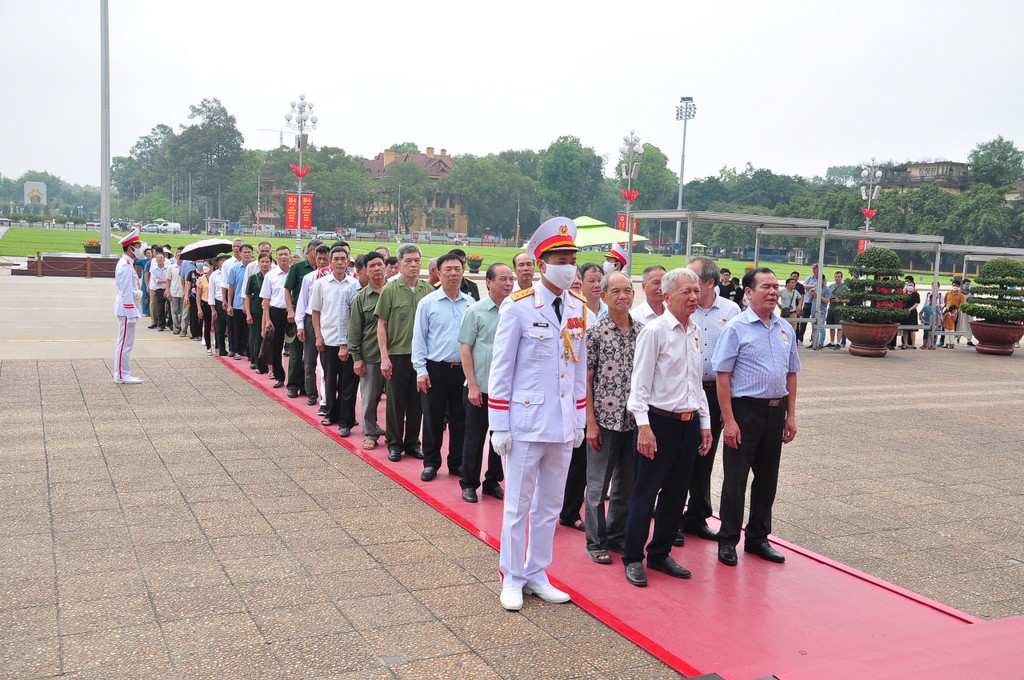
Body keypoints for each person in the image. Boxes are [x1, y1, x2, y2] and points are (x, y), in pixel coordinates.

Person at [489, 216, 587, 612]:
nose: (568, 265)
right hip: (526, 424)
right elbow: (502, 368)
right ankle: (511, 577)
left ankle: (537, 572)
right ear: (542, 263)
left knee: (549, 506)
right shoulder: (518, 308)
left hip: (562, 424)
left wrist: (579, 420)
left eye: (572, 258)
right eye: (560, 258)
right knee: (516, 507)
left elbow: (579, 370)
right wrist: (499, 424)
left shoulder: (579, 309)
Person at [622, 268, 712, 588]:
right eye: (686, 292)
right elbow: (639, 386)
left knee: (676, 494)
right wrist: (644, 428)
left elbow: (696, 383)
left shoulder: (696, 330)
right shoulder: (655, 331)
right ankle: (633, 557)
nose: (693, 297)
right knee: (646, 493)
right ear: (666, 295)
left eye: (696, 291)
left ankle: (659, 554)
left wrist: (705, 423)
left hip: (688, 424)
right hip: (658, 424)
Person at [712, 267, 800, 567]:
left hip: (776, 412)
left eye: (776, 286)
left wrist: (791, 416)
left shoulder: (785, 328)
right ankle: (727, 540)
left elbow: (791, 374)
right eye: (766, 286)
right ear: (748, 292)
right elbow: (722, 377)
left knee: (767, 480)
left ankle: (758, 538)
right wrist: (729, 420)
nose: (774, 292)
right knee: (735, 480)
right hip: (744, 411)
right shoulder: (735, 328)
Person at [678, 257, 740, 546]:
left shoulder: (731, 310)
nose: (688, 287)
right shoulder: (682, 307)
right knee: (679, 456)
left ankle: (697, 516)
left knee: (705, 454)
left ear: (710, 282)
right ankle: (673, 516)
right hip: (685, 390)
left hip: (716, 391)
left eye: (694, 280)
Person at [583, 271, 640, 565]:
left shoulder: (642, 331)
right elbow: (587, 381)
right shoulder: (594, 333)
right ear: (603, 296)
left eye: (628, 291)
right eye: (615, 291)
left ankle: (617, 535)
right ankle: (595, 541)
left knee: (626, 485)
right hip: (603, 421)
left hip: (633, 422)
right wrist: (590, 423)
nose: (623, 296)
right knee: (597, 487)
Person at [412, 253, 475, 481]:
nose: (453, 273)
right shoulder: (428, 303)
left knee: (461, 419)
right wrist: (421, 370)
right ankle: (431, 462)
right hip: (435, 368)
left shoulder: (471, 303)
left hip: (462, 370)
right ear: (438, 273)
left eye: (457, 269)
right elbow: (419, 338)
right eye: (447, 269)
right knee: (432, 417)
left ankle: (456, 462)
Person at [457, 262, 514, 503]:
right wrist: (472, 385)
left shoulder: (516, 310)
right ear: (488, 282)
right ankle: (469, 483)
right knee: (474, 437)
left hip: (506, 390)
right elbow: (465, 349)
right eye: (503, 279)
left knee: (500, 438)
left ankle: (493, 481)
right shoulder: (476, 311)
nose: (509, 283)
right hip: (479, 388)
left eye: (510, 279)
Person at [376, 244, 434, 462]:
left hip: (421, 357)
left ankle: (412, 443)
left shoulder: (428, 291)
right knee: (395, 403)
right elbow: (381, 325)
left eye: (416, 260)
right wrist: (384, 356)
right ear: (399, 264)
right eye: (408, 261)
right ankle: (394, 444)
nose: (413, 264)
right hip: (397, 355)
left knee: (417, 403)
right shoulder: (389, 290)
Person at [311, 246, 358, 436]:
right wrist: (318, 336)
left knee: (348, 383)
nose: (339, 262)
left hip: (350, 341)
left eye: (342, 259)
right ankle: (330, 412)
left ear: (348, 261)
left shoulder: (354, 285)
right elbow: (315, 311)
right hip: (328, 339)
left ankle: (346, 419)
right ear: (330, 262)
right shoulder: (321, 284)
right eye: (336, 259)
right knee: (330, 380)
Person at [348, 252, 389, 450]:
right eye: (371, 266)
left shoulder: (396, 291)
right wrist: (356, 357)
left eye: (380, 264)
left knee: (397, 399)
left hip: (397, 354)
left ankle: (394, 434)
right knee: (370, 397)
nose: (377, 269)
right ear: (365, 271)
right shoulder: (361, 298)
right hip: (371, 355)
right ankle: (371, 433)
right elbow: (354, 330)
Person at [284, 240, 323, 398]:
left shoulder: (325, 271)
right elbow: (288, 290)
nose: (321, 257)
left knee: (310, 356)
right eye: (318, 253)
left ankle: (307, 387)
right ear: (311, 252)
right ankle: (293, 385)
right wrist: (290, 310)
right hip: (300, 313)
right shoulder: (298, 268)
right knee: (296, 352)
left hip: (319, 315)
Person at [295, 245, 332, 404]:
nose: (322, 262)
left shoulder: (335, 278)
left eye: (325, 259)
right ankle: (311, 393)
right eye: (319, 258)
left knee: (328, 363)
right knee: (309, 360)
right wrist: (300, 325)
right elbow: (302, 302)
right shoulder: (309, 278)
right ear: (314, 259)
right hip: (310, 319)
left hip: (328, 320)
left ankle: (328, 396)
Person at [113, 228, 144, 384]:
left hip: (127, 307)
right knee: (125, 343)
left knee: (126, 343)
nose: (140, 249)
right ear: (131, 247)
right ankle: (121, 374)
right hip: (126, 309)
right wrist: (131, 313)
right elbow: (126, 292)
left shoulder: (127, 263)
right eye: (138, 246)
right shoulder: (125, 265)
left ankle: (123, 372)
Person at [260, 246, 293, 386]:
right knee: (276, 345)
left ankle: (295, 379)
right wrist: (267, 319)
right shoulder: (271, 275)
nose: (283, 257)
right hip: (276, 312)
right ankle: (279, 376)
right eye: (281, 254)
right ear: (276, 257)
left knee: (295, 349)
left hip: (293, 312)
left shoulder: (295, 273)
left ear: (290, 257)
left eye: (286, 254)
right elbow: (266, 300)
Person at [226, 243, 254, 361]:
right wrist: (229, 304)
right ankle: (237, 350)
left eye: (249, 252)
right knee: (238, 328)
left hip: (253, 303)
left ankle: (248, 351)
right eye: (245, 252)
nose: (247, 254)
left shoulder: (255, 267)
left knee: (250, 330)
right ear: (240, 254)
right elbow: (231, 287)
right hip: (238, 302)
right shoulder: (235, 269)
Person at [245, 253, 272, 373]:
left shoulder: (273, 277)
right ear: (259, 263)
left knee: (269, 338)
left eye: (267, 262)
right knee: (257, 338)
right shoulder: (253, 278)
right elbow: (248, 296)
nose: (265, 264)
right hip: (256, 310)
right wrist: (248, 313)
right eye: (262, 262)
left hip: (271, 310)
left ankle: (269, 363)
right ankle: (258, 363)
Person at [209, 255, 228, 356]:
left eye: (225, 260)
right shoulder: (214, 275)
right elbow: (211, 293)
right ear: (217, 263)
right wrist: (213, 309)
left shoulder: (230, 272)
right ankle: (221, 349)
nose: (223, 262)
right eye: (221, 261)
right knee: (219, 328)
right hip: (218, 303)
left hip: (230, 302)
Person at [146, 249, 169, 331]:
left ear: (164, 259)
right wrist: (165, 280)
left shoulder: (168, 268)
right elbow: (155, 281)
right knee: (159, 308)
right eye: (158, 258)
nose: (159, 259)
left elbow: (169, 279)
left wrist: (164, 281)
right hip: (158, 289)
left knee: (169, 308)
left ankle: (170, 324)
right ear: (155, 259)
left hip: (168, 289)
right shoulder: (153, 269)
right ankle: (161, 325)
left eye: (161, 258)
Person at [826, 271, 850, 349]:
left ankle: (838, 343)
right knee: (831, 326)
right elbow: (828, 295)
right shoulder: (831, 286)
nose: (837, 278)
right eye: (835, 276)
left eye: (838, 277)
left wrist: (839, 301)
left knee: (839, 326)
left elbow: (848, 299)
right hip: (831, 308)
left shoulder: (844, 287)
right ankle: (832, 342)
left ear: (841, 277)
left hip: (839, 309)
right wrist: (830, 298)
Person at [167, 248, 185, 336]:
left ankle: (181, 326)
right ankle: (176, 327)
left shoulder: (186, 267)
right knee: (174, 311)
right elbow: (168, 280)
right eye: (178, 256)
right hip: (173, 291)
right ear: (175, 257)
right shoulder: (171, 267)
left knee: (183, 312)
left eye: (181, 256)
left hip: (183, 292)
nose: (180, 258)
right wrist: (167, 291)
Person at [196, 262, 213, 354]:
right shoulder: (201, 279)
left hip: (215, 303)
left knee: (218, 326)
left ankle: (218, 346)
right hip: (205, 303)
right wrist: (199, 308)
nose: (205, 267)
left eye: (207, 265)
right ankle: (208, 347)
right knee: (207, 326)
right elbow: (198, 296)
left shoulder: (216, 276)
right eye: (204, 265)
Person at [901, 276, 921, 349]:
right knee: (905, 329)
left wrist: (909, 310)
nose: (910, 287)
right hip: (905, 312)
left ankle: (913, 344)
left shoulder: (916, 294)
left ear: (914, 287)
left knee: (912, 330)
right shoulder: (904, 294)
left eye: (911, 285)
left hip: (912, 313)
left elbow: (916, 304)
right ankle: (905, 344)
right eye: (909, 285)